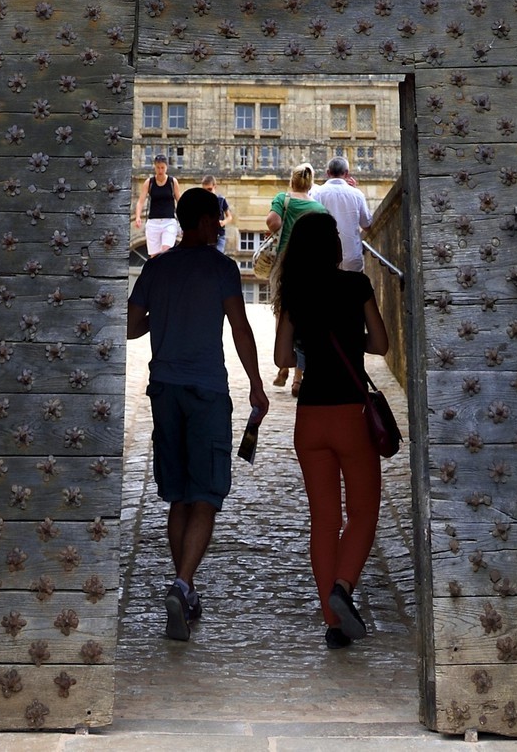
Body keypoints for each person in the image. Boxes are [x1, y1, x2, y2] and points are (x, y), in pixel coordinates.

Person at [127, 186, 269, 640]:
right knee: (206, 492)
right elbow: (241, 328)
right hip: (207, 391)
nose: (220, 226)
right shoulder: (222, 268)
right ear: (205, 222)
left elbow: (131, 325)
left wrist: (162, 316)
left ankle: (183, 589)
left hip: (164, 389)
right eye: (217, 219)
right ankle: (183, 583)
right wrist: (257, 385)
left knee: (178, 496)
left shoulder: (156, 267)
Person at [274, 208, 390, 650]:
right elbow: (380, 344)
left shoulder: (295, 295)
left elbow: (283, 357)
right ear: (335, 246)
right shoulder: (356, 284)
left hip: (310, 420)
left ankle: (333, 623)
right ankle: (343, 588)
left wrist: (315, 343)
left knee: (323, 520)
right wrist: (350, 338)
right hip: (351, 416)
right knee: (362, 513)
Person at [266, 162, 322, 390]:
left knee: (281, 312)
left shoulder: (283, 199)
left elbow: (273, 222)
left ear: (292, 180)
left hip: (285, 264)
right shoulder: (319, 208)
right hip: (310, 268)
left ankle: (283, 366)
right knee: (306, 318)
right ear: (310, 184)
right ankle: (299, 377)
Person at [315, 154, 372, 271]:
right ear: (346, 173)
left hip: (324, 255)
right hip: (351, 256)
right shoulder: (357, 194)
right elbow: (367, 225)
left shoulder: (317, 193)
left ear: (328, 172)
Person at [139, 154, 181, 256]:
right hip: (153, 222)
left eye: (162, 167)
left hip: (169, 221)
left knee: (166, 250)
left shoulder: (172, 182)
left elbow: (179, 201)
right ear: (155, 167)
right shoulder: (149, 182)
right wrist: (137, 217)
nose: (160, 170)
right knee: (154, 256)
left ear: (166, 167)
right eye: (158, 167)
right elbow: (140, 201)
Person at [201, 173, 232, 253]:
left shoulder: (221, 200)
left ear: (215, 187)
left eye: (209, 189)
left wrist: (223, 222)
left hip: (219, 236)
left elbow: (229, 217)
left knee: (217, 257)